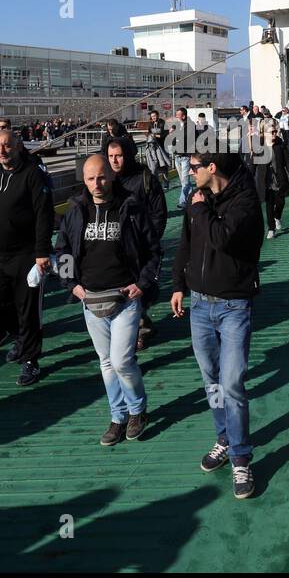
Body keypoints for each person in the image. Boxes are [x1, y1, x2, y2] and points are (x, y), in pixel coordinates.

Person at [170, 152, 264, 500]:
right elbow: (187, 243)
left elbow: (221, 237)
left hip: (233, 305)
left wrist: (198, 209)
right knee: (210, 379)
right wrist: (178, 284)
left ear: (213, 168)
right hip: (199, 303)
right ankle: (223, 435)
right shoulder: (199, 199)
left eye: (195, 167)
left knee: (232, 382)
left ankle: (241, 456)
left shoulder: (245, 201)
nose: (189, 172)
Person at [55, 153, 160, 445]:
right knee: (105, 362)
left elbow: (153, 250)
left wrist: (143, 282)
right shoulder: (76, 210)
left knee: (122, 360)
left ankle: (138, 409)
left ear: (111, 175)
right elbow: (62, 248)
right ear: (84, 180)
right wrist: (71, 284)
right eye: (90, 178)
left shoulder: (131, 207)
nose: (97, 183)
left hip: (125, 297)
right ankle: (118, 416)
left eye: (102, 176)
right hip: (91, 299)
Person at [0, 129, 54, 385]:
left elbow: (44, 214)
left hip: (25, 254)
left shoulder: (32, 175)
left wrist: (42, 252)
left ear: (18, 146)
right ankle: (20, 337)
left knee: (28, 309)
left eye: (7, 146)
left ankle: (30, 359)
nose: (2, 151)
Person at [104, 135, 166, 349]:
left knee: (139, 290)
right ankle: (137, 326)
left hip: (140, 246)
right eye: (110, 156)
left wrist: (150, 240)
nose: (114, 161)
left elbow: (159, 212)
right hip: (113, 246)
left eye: (119, 156)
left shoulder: (145, 178)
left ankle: (140, 327)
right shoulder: (106, 179)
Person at [253, 121, 289, 239]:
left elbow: (287, 162)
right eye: (272, 132)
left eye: (275, 131)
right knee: (269, 204)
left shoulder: (280, 144)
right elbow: (253, 164)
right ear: (264, 134)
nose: (275, 134)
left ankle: (277, 216)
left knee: (281, 201)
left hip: (279, 178)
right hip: (266, 180)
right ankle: (271, 229)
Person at [169, 107, 197, 210]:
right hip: (177, 156)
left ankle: (183, 202)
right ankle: (192, 198)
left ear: (183, 116)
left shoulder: (190, 126)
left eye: (178, 114)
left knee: (185, 180)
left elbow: (186, 139)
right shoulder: (176, 125)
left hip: (185, 156)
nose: (176, 116)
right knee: (183, 181)